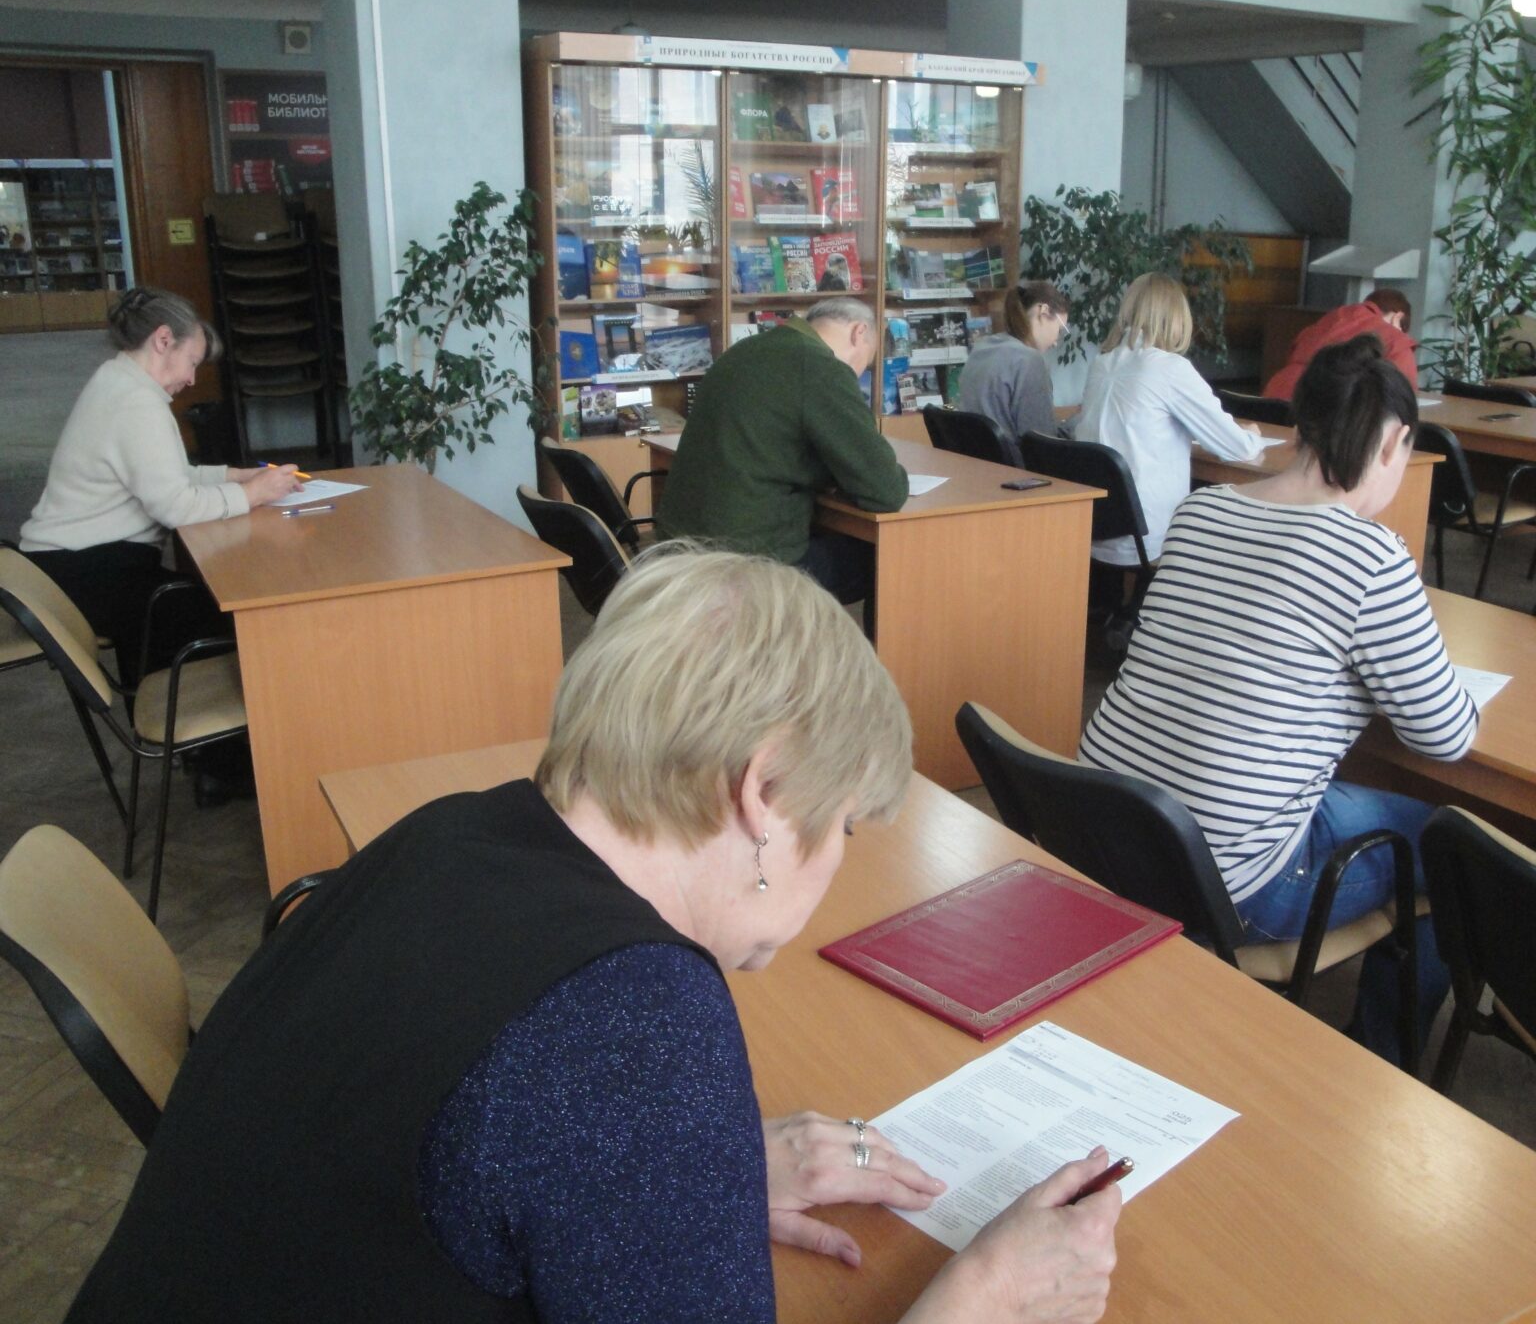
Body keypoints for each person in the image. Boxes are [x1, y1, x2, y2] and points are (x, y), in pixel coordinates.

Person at [67, 547, 1121, 1323]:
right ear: (762, 792)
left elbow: (488, 1143)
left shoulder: (451, 831)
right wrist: (988, 1294)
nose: (839, 859)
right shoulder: (632, 1019)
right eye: (841, 824)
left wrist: (684, 1183)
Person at [1080, 335, 1479, 1065]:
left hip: (1106, 830)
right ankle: (1381, 1061)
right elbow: (1446, 736)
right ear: (1394, 442)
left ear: (1302, 425)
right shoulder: (1369, 555)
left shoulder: (1201, 510)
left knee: (1353, 798)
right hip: (1229, 880)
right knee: (1450, 848)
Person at [19, 287, 300, 686]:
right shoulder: (137, 404)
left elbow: (165, 476)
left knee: (195, 600)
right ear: (164, 339)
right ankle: (190, 718)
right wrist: (254, 494)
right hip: (84, 572)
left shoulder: (118, 380)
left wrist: (235, 477)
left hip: (64, 566)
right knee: (237, 617)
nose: (191, 379)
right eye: (191, 362)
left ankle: (157, 701)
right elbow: (176, 507)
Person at [655, 295, 908, 623]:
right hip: (747, 563)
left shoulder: (747, 350)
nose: (859, 373)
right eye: (867, 361)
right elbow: (885, 491)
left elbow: (772, 440)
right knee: (890, 556)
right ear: (859, 333)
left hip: (683, 547)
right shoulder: (820, 367)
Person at [1076, 272, 1263, 567]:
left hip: (1095, 528)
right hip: (1147, 539)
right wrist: (1253, 436)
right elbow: (1237, 448)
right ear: (1177, 318)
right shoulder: (1170, 369)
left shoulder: (1101, 363)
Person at [958, 280, 1071, 445]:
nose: (1055, 342)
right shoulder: (1029, 361)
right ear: (1043, 312)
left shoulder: (982, 348)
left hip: (975, 457)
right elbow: (1042, 441)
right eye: (1059, 331)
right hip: (1015, 460)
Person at [1262, 287, 1418, 401]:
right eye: (1403, 328)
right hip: (1332, 412)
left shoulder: (1333, 318)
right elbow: (1404, 399)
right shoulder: (1396, 340)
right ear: (1398, 317)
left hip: (1276, 395)